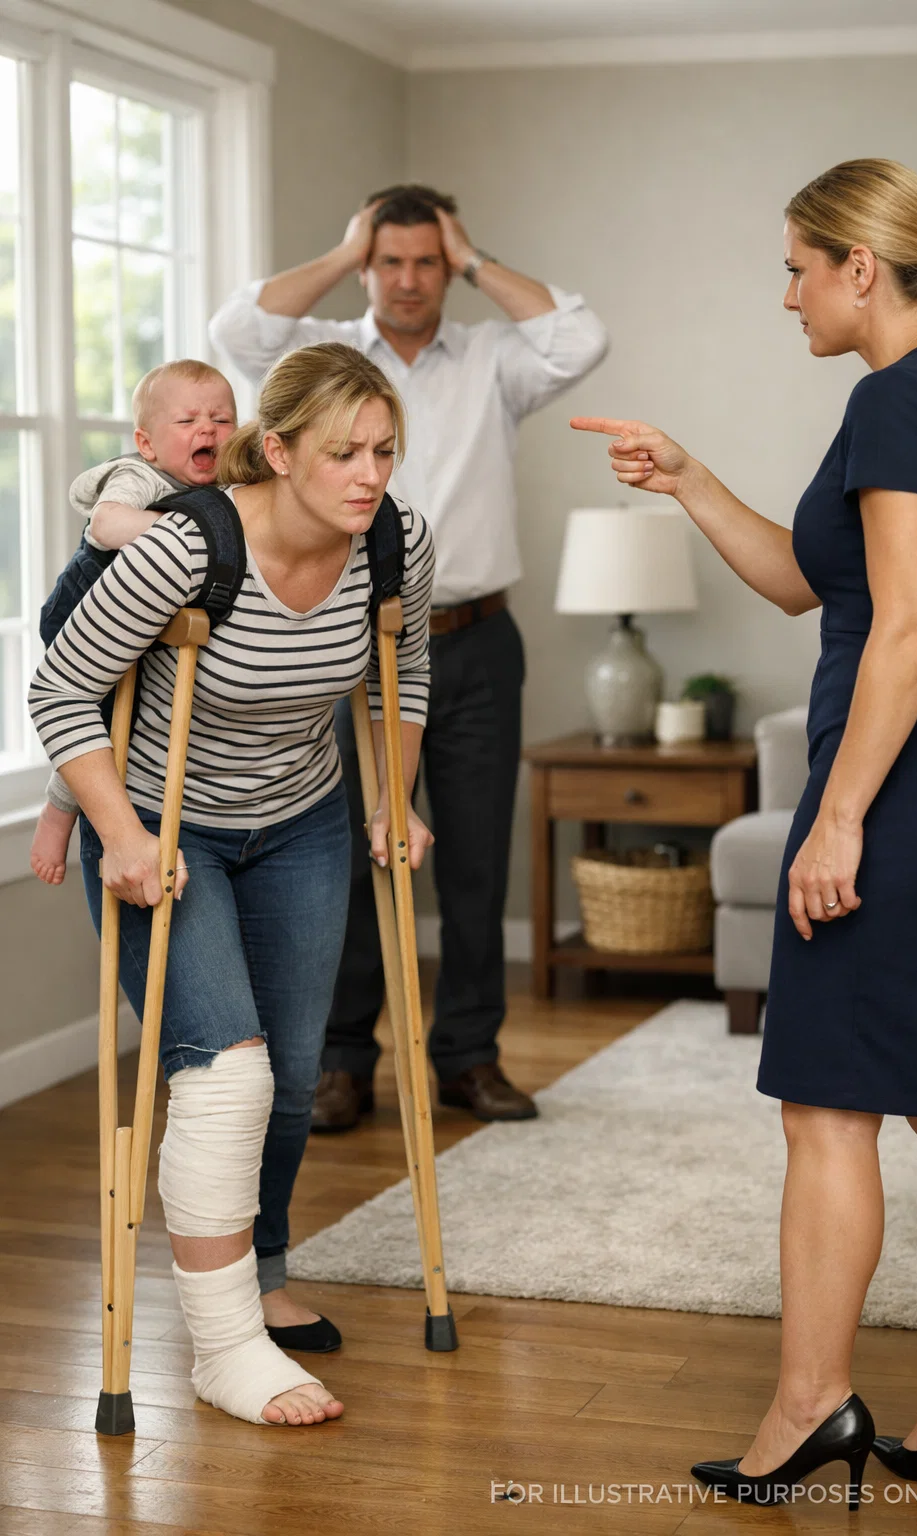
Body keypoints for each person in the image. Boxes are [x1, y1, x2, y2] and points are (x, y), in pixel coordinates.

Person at [574, 159, 917, 1506]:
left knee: (829, 1108)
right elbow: (806, 583)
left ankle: (810, 1408)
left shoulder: (893, 401)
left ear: (857, 268)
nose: (788, 298)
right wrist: (689, 478)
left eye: (795, 269)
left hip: (905, 781)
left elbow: (907, 629)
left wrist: (835, 820)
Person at [28, 342, 435, 1426]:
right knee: (227, 1076)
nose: (369, 476)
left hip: (302, 821)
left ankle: (262, 1273)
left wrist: (393, 797)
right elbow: (60, 688)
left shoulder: (392, 541)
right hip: (163, 826)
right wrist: (118, 833)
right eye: (344, 453)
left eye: (385, 451)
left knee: (294, 1079)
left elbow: (406, 672)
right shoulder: (183, 547)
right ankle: (223, 1348)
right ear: (280, 450)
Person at [209, 184, 608, 1128]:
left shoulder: (493, 360)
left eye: (428, 261)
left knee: (475, 861)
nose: (409, 279)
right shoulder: (328, 357)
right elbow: (235, 330)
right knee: (348, 853)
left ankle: (469, 1057)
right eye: (390, 260)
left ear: (447, 266)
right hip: (348, 649)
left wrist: (475, 259)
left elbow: (581, 338)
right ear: (367, 264)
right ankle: (343, 1061)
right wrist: (341, 253)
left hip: (477, 643)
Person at [30, 359, 238, 886]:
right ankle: (58, 812)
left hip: (150, 627)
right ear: (146, 443)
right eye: (187, 421)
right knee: (95, 726)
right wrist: (191, 535)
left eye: (222, 419)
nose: (208, 429)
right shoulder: (137, 476)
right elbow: (106, 525)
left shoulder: (224, 486)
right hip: (82, 611)